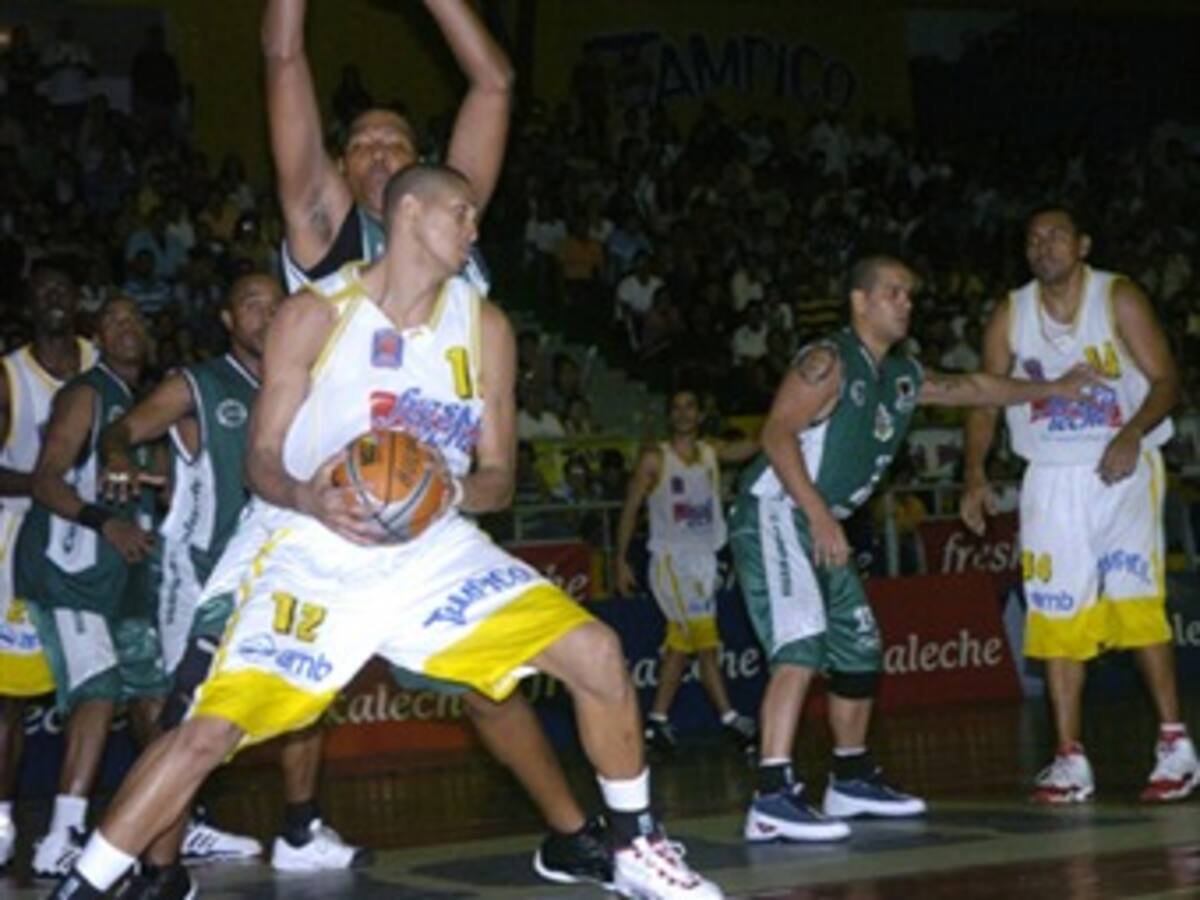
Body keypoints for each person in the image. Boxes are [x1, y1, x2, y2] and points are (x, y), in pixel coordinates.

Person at [51, 164, 721, 900]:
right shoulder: (312, 315)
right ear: (409, 216)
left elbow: (498, 478)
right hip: (314, 544)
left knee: (596, 651)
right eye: (461, 213)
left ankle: (635, 848)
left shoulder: (485, 327)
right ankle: (85, 886)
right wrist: (311, 495)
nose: (475, 227)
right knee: (205, 734)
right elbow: (262, 462)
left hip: (432, 548)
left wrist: (447, 490)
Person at [262, 0, 609, 884]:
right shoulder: (320, 222)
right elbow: (282, 54)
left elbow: (493, 80)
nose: (380, 154)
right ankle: (285, 823)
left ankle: (575, 830)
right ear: (338, 167)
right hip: (319, 508)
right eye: (363, 145)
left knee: (487, 687)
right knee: (263, 684)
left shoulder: (452, 224)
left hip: (430, 510)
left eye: (397, 144)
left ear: (425, 172)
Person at [732, 255, 1098, 843]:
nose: (906, 302)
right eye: (894, 292)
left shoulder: (901, 375)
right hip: (776, 511)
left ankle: (849, 778)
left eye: (909, 294)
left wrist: (1055, 387)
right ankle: (772, 794)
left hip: (821, 520)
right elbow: (775, 432)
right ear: (859, 302)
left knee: (859, 648)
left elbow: (975, 387)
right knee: (800, 642)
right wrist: (821, 514)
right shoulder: (826, 362)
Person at [960, 205, 1199, 804]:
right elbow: (984, 399)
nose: (1044, 245)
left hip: (1122, 468)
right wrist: (972, 473)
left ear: (1083, 244)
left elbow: (1168, 380)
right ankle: (1070, 759)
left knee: (1135, 601)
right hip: (1050, 475)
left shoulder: (1117, 297)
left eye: (1057, 235)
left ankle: (1175, 744)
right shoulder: (1011, 314)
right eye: (1034, 237)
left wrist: (1131, 432)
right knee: (1056, 614)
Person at [94, 275, 298, 896]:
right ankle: (157, 863)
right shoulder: (199, 385)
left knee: (306, 708)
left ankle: (302, 828)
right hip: (203, 578)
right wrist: (118, 456)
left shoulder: (305, 385)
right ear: (229, 319)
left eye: (276, 305)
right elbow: (122, 429)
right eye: (251, 305)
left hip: (284, 574)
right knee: (185, 728)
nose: (266, 315)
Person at [17, 296, 166, 877]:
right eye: (115, 322)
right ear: (98, 338)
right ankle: (62, 834)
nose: (128, 329)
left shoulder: (146, 408)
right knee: (98, 686)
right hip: (69, 564)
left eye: (137, 321)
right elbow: (45, 479)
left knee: (153, 691)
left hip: (123, 571)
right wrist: (106, 522)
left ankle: (172, 819)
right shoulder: (86, 393)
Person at [0, 265, 96, 869]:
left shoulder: (102, 357)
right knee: (7, 698)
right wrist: (45, 486)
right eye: (43, 294)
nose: (55, 299)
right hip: (18, 540)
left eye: (64, 288)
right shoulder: (9, 376)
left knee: (101, 688)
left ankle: (68, 827)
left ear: (78, 299)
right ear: (30, 307)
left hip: (92, 542)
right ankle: (3, 821)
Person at [615, 388, 758, 756]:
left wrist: (784, 428)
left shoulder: (711, 452)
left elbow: (749, 447)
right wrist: (620, 559)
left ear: (699, 413)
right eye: (676, 407)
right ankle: (731, 721)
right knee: (705, 642)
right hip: (670, 560)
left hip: (702, 561)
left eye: (689, 405)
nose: (682, 413)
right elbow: (630, 509)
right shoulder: (655, 458)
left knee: (681, 644)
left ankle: (656, 723)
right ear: (670, 415)